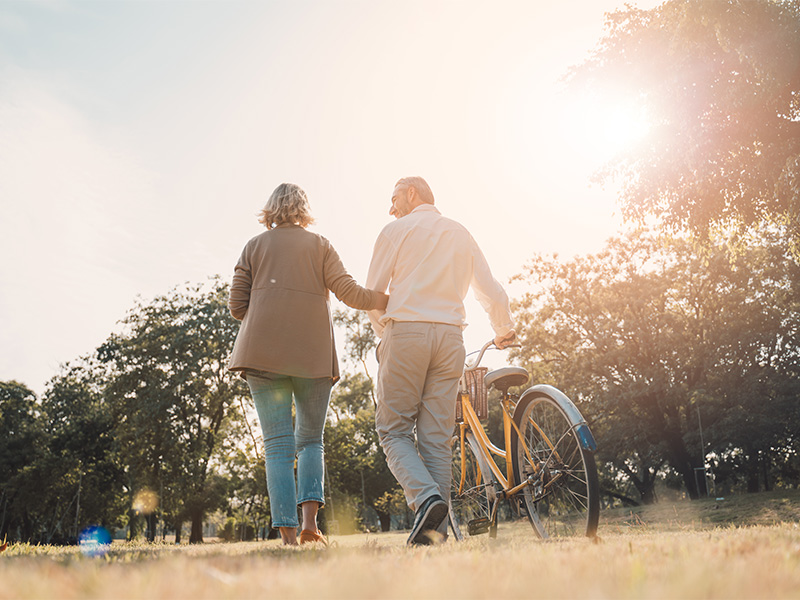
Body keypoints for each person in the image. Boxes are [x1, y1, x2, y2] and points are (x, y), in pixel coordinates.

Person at [228, 182, 388, 546]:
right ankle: (310, 527)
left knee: (277, 446)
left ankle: (285, 535)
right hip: (312, 359)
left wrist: (269, 309)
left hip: (262, 357)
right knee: (311, 441)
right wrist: (387, 299)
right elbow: (350, 293)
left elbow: (237, 306)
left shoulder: (253, 247)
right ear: (304, 209)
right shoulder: (320, 246)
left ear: (270, 210)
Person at [366, 176, 515, 545]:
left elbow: (372, 295)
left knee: (393, 430)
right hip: (451, 338)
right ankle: (434, 536)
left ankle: (426, 498)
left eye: (394, 198)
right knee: (435, 439)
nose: (391, 207)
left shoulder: (395, 230)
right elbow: (490, 289)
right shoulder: (459, 232)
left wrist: (384, 335)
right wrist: (503, 328)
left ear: (411, 193)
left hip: (407, 333)